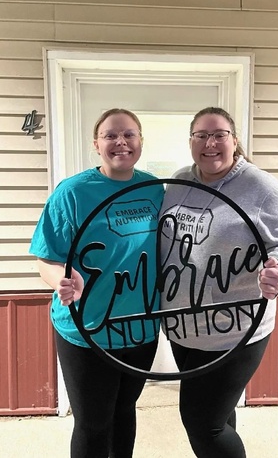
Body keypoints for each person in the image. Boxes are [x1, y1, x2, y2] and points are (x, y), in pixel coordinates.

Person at [159, 107, 278, 458]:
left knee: (202, 423)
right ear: (191, 141)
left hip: (234, 331)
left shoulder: (261, 187)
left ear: (234, 140)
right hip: (183, 328)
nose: (210, 143)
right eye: (201, 135)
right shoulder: (179, 182)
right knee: (219, 416)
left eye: (219, 135)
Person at [29, 108, 164, 458]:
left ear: (140, 140)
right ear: (96, 144)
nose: (121, 142)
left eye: (129, 134)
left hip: (140, 328)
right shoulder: (73, 192)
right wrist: (62, 280)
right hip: (87, 330)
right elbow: (46, 258)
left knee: (124, 410)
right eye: (110, 135)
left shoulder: (154, 189)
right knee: (93, 423)